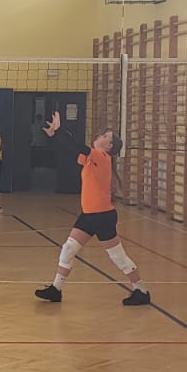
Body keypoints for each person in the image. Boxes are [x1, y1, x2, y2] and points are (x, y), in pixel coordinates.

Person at [34, 112, 151, 306]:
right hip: (88, 215)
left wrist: (60, 130)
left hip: (102, 216)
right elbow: (71, 150)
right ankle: (56, 289)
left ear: (109, 146)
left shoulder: (102, 157)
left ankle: (141, 291)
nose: (100, 136)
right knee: (68, 249)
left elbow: (76, 146)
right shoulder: (92, 159)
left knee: (118, 257)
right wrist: (54, 135)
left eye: (105, 136)